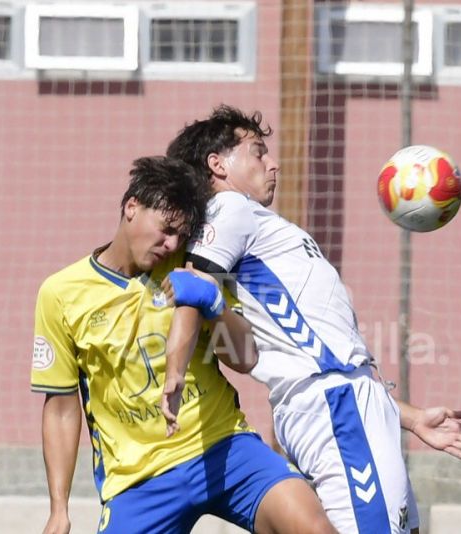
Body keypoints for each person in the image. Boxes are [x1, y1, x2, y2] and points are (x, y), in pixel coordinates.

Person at [163, 106, 461, 533]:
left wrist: (406, 416)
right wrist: (175, 369)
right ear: (217, 164)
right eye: (258, 152)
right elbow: (193, 285)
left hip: (352, 402)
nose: (273, 162)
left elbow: (323, 352)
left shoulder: (259, 225)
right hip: (336, 409)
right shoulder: (229, 208)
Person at [30, 155, 336, 534]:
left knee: (313, 527)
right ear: (131, 208)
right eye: (165, 228)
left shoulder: (191, 265)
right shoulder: (60, 294)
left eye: (180, 233)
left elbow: (245, 357)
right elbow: (61, 407)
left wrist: (214, 302)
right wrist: (58, 508)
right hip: (138, 480)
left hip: (223, 448)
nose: (170, 242)